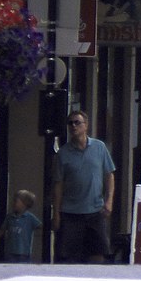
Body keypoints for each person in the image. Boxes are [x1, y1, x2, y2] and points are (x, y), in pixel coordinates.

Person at [52, 110, 115, 263]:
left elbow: (109, 175)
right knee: (69, 257)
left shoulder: (99, 147)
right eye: (70, 123)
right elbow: (58, 185)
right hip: (70, 213)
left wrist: (109, 201)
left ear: (86, 125)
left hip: (95, 211)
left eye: (77, 122)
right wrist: (56, 214)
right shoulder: (63, 153)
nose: (73, 126)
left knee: (98, 254)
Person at [0, 189, 41, 262]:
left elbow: (40, 226)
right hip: (10, 252)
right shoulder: (9, 217)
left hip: (24, 252)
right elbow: (1, 230)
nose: (14, 203)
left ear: (24, 204)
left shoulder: (30, 217)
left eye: (16, 201)